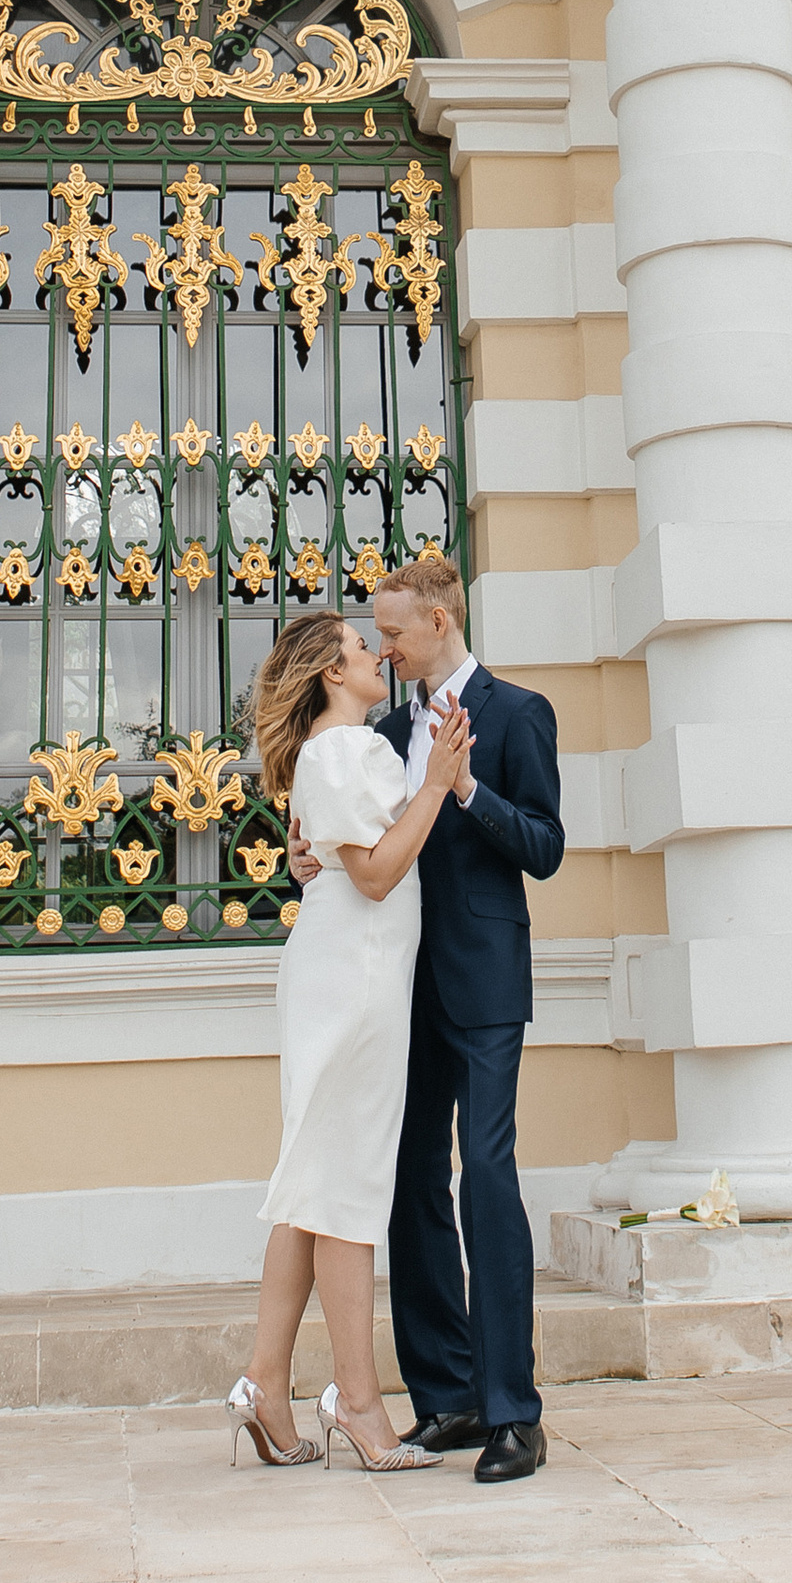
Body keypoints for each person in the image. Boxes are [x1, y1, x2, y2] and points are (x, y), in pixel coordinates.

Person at [230, 607, 473, 1473]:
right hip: (356, 978)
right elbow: (374, 875)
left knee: (313, 1182)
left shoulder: (334, 753)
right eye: (361, 647)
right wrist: (437, 784)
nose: (376, 655)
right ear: (333, 672)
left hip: (344, 970)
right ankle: (359, 1404)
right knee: (347, 1186)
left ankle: (266, 1382)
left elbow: (340, 859)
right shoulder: (344, 750)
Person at [360, 551, 565, 1486]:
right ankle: (447, 1394)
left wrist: (469, 788)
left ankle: (514, 1411)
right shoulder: (386, 728)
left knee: (484, 1174)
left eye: (392, 632)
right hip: (401, 984)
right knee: (411, 1181)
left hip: (484, 982)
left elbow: (546, 848)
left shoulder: (519, 713)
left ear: (438, 622)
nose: (383, 648)